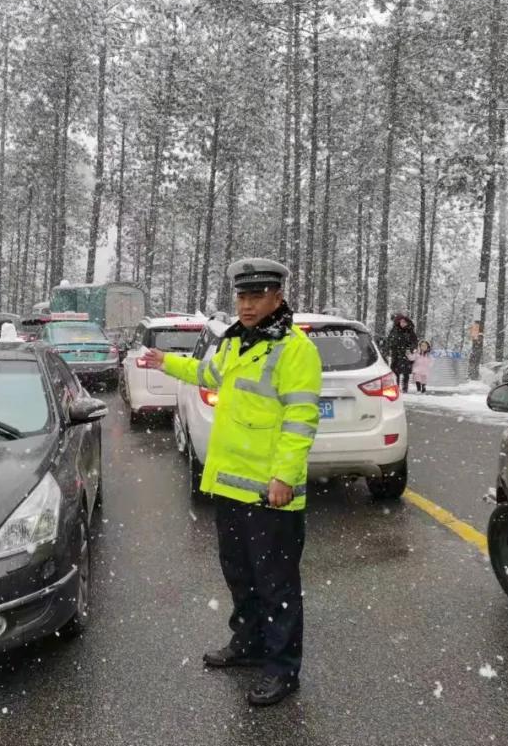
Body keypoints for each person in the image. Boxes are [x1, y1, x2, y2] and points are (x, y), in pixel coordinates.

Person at [142, 258, 322, 707]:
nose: (246, 304)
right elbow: (208, 374)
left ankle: (283, 669)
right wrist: (167, 362)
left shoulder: (295, 349)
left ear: (278, 298)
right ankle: (248, 644)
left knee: (276, 584)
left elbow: (301, 419)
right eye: (241, 296)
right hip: (230, 486)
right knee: (239, 574)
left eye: (256, 296)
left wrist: (282, 476)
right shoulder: (235, 341)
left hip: (270, 492)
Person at [386, 313, 418, 393]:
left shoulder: (410, 331)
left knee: (406, 373)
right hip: (396, 354)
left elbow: (414, 342)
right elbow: (389, 341)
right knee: (395, 372)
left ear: (407, 322)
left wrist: (410, 348)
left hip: (406, 355)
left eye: (404, 322)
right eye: (401, 322)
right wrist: (390, 347)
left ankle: (405, 388)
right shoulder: (394, 330)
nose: (403, 323)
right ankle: (396, 388)